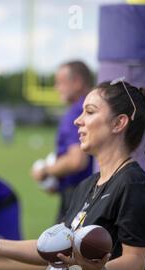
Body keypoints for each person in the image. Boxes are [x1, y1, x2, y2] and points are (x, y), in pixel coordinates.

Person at [0, 80, 145, 270]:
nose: (78, 121)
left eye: (89, 112)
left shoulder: (132, 184)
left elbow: (135, 262)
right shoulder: (87, 185)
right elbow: (54, 248)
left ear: (118, 123)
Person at [32, 61, 94, 222]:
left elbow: (77, 161)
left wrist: (45, 171)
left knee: (56, 246)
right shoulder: (96, 107)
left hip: (78, 196)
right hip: (95, 193)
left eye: (60, 82)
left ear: (78, 82)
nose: (56, 88)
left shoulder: (77, 111)